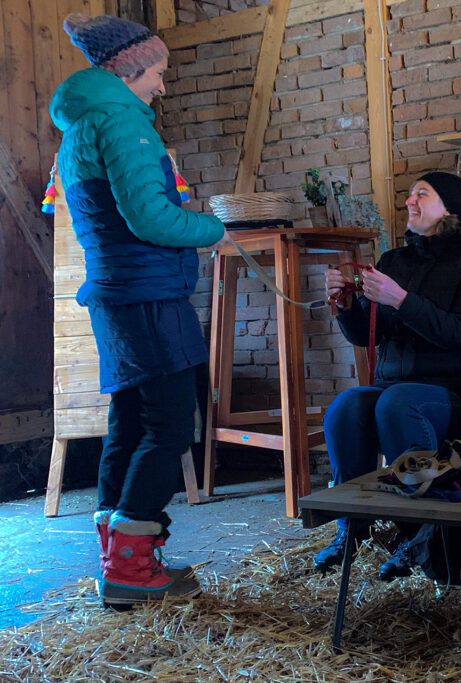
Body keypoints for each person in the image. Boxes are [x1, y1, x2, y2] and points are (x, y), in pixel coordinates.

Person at [51, 14, 230, 606]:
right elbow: (150, 218)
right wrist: (212, 229)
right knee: (172, 425)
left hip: (119, 295)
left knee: (130, 423)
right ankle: (131, 569)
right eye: (157, 72)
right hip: (149, 295)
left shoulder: (84, 123)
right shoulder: (120, 121)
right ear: (129, 69)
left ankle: (121, 557)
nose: (161, 85)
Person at [315, 172, 461, 576]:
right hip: (391, 384)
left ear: (447, 208)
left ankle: (421, 534)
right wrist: (346, 306)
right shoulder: (393, 261)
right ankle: (353, 527)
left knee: (398, 403)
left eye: (421, 194)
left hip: (448, 387)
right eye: (410, 195)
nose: (409, 202)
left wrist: (400, 299)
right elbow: (368, 335)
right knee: (345, 406)